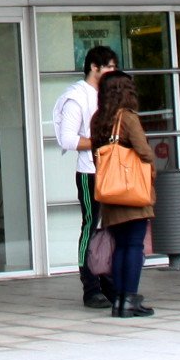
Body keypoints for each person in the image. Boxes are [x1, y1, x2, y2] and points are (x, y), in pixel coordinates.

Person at [90, 70, 158, 318]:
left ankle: (119, 300)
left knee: (120, 246)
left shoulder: (98, 119)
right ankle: (130, 299)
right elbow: (145, 152)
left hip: (110, 193)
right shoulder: (128, 118)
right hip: (131, 192)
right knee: (133, 245)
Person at [55, 46, 119, 310]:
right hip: (90, 172)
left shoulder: (109, 95)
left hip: (112, 171)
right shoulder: (77, 97)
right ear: (95, 67)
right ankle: (90, 285)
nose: (113, 73)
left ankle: (110, 283)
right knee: (91, 227)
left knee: (112, 228)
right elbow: (68, 139)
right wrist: (103, 142)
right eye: (110, 67)